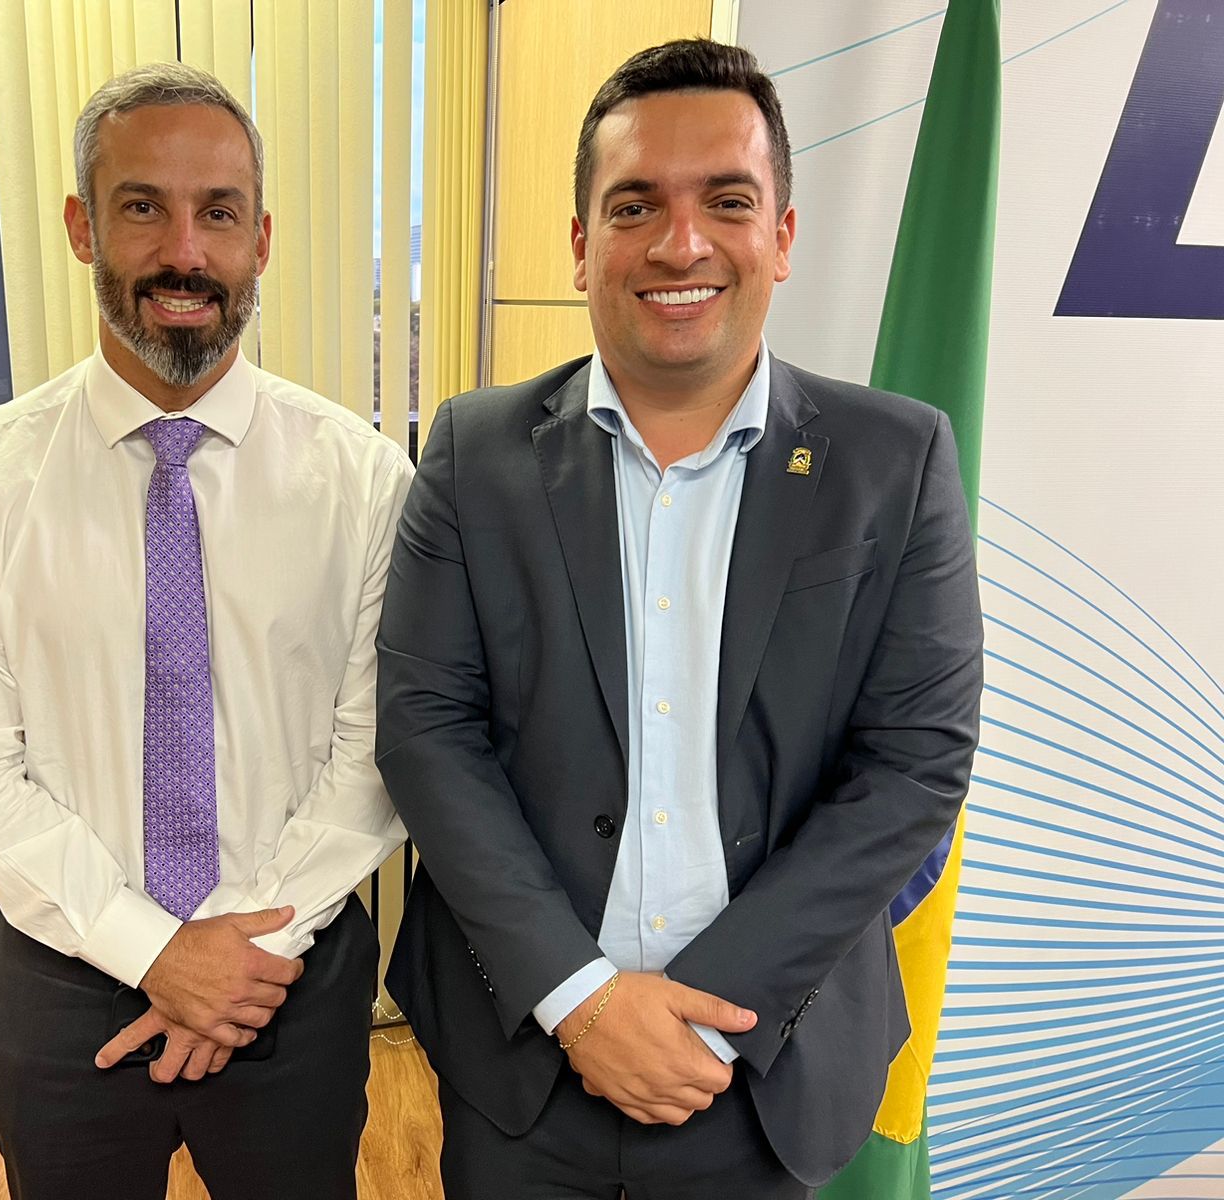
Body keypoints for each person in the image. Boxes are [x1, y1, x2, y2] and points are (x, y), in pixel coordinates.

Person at [376, 38, 982, 1199]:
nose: (680, 242)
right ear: (580, 244)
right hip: (522, 1061)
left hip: (765, 1069)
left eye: (727, 201)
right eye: (635, 204)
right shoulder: (470, 452)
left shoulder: (895, 462)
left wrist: (709, 1009)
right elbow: (425, 731)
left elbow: (914, 762)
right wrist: (581, 1000)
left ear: (783, 237)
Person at [0, 62, 411, 1200]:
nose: (184, 251)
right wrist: (155, 951)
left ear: (260, 239)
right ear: (82, 227)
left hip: (287, 975)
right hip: (63, 983)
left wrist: (239, 956)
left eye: (218, 213)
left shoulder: (367, 482)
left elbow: (379, 747)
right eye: (141, 207)